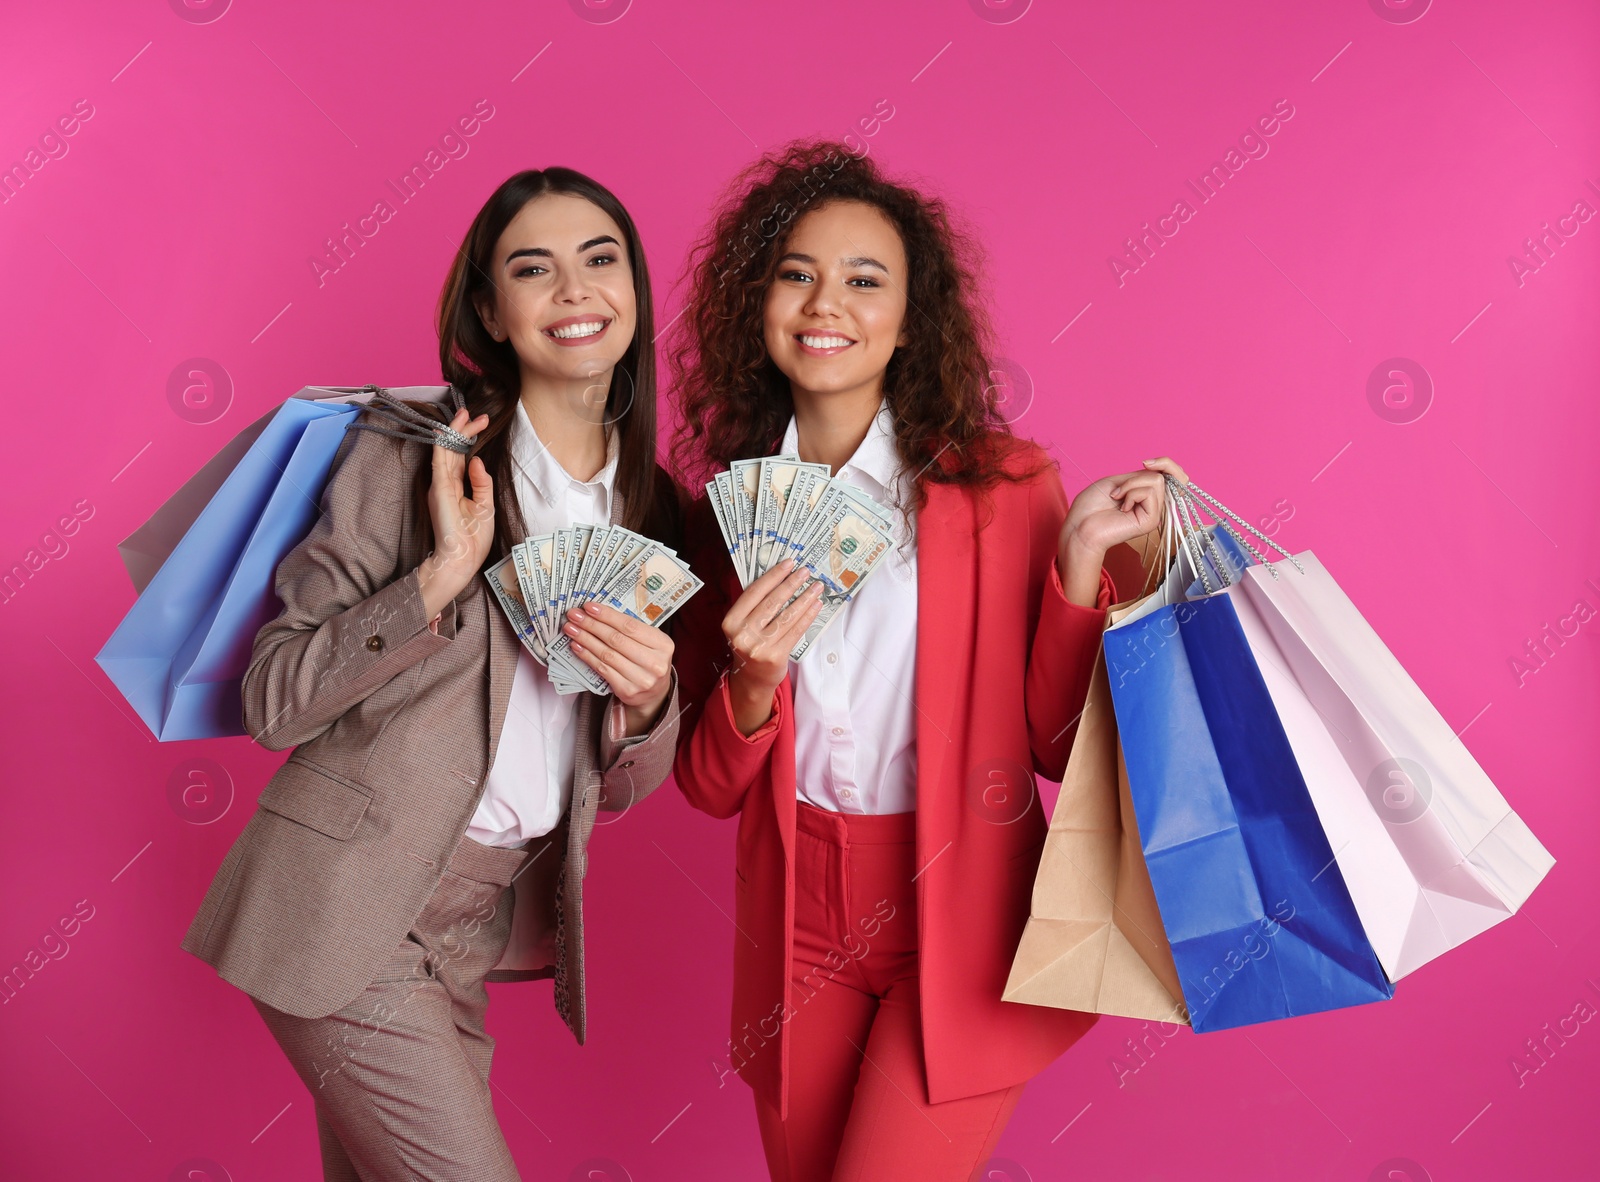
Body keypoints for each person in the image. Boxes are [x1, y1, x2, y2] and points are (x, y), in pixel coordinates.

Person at [666, 139, 1182, 1182]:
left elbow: (1051, 745)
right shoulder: (729, 515)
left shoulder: (1001, 487)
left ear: (910, 320)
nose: (827, 304)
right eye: (797, 274)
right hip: (797, 922)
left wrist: (1082, 561)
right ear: (755, 302)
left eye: (866, 280)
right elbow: (707, 786)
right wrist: (755, 684)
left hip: (964, 910)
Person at [181, 167, 683, 1181]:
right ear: (492, 312)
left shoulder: (651, 509)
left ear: (633, 284)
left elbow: (616, 789)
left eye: (600, 260)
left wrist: (647, 704)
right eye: (532, 270)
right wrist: (437, 579)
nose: (574, 290)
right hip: (341, 905)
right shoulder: (407, 455)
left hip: (468, 929)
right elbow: (274, 702)